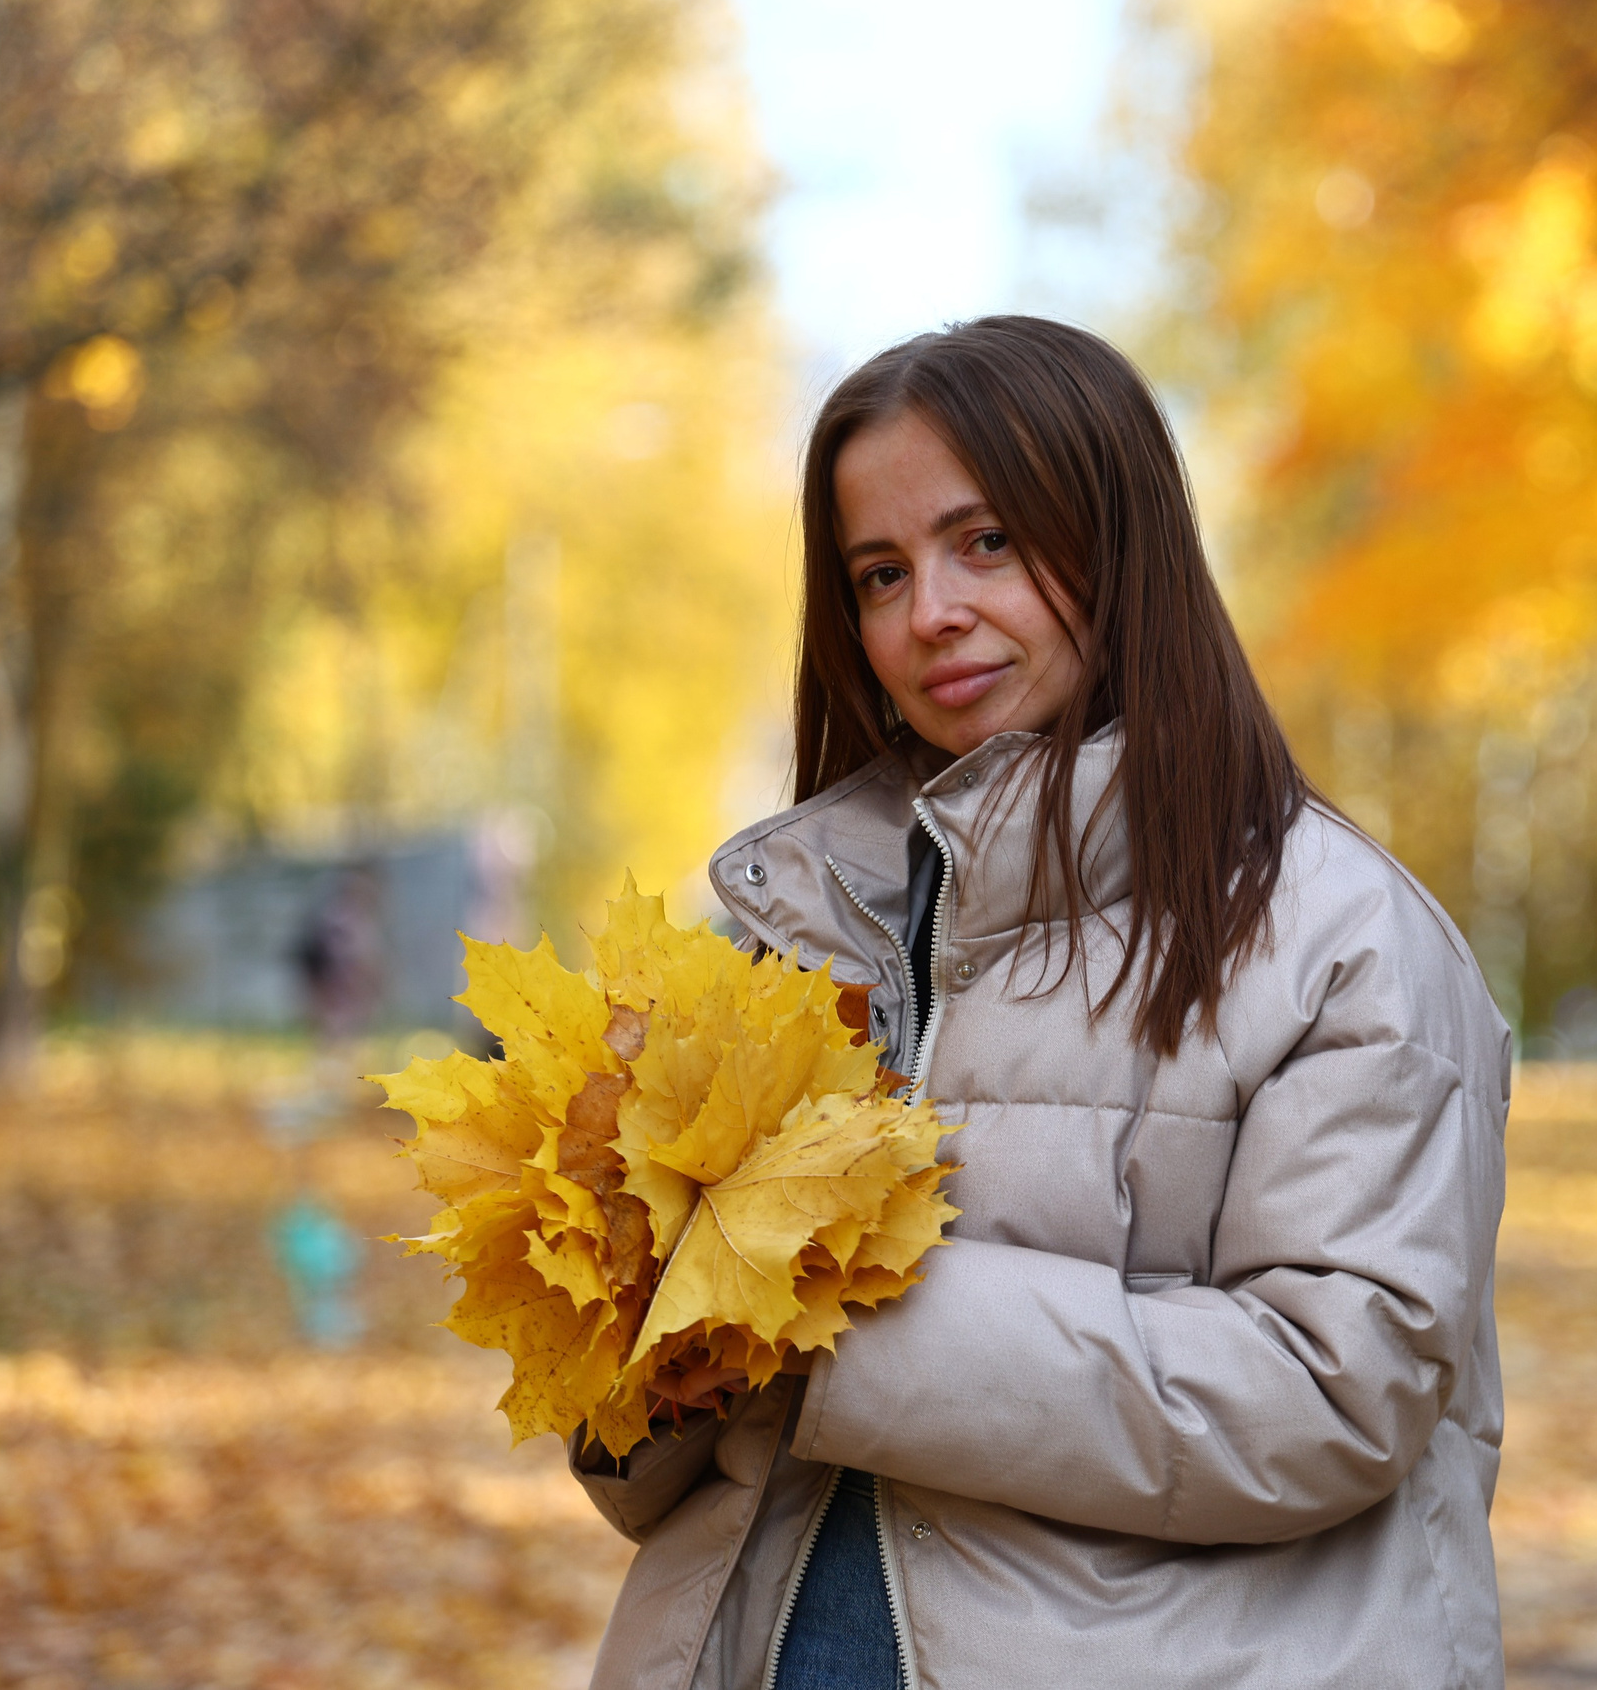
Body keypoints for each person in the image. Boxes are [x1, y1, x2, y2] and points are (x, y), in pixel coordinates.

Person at [569, 316, 1511, 1690]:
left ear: (1118, 541)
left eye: (987, 543)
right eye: (879, 572)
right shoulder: (793, 930)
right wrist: (649, 1349)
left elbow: (1335, 1393)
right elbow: (664, 1478)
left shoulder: (1340, 937)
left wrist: (828, 1317)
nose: (928, 613)